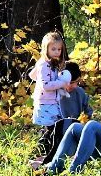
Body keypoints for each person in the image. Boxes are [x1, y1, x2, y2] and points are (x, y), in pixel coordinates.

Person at [29, 32, 71, 164]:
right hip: (45, 102)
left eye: (59, 49)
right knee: (51, 127)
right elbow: (45, 85)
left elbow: (32, 75)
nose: (57, 52)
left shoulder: (49, 63)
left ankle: (47, 148)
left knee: (52, 126)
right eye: (53, 49)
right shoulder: (44, 65)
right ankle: (43, 149)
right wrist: (61, 83)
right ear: (45, 48)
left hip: (51, 100)